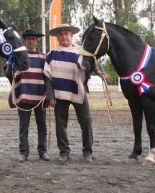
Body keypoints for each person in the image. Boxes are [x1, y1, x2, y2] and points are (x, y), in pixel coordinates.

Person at [44, 23, 99, 163]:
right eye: (60, 34)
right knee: (61, 123)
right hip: (59, 94)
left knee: (86, 121)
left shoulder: (81, 52)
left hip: (78, 91)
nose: (64, 36)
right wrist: (50, 96)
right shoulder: (51, 55)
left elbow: (93, 64)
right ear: (57, 37)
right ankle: (64, 152)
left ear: (71, 35)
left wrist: (98, 71)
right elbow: (47, 77)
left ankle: (88, 152)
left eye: (66, 34)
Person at [5, 28, 50, 162]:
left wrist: (48, 94)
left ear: (37, 41)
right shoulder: (16, 56)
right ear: (24, 40)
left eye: (34, 39)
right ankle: (23, 152)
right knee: (23, 126)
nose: (31, 41)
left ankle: (43, 151)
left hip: (40, 97)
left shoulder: (43, 56)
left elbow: (47, 77)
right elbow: (9, 75)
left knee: (42, 126)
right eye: (29, 38)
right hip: (23, 95)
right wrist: (7, 68)